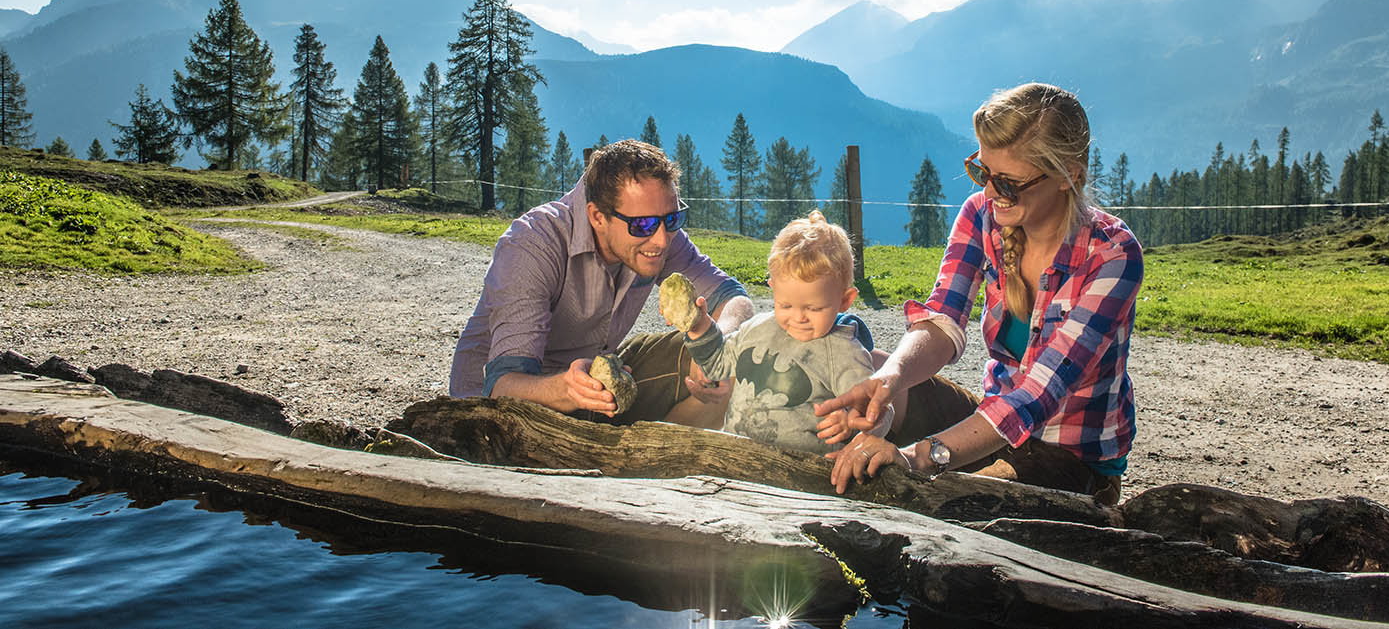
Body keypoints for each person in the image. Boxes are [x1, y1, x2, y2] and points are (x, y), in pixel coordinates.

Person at [817, 83, 1142, 504]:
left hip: (1071, 458)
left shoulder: (1113, 255)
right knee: (869, 368)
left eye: (1008, 182)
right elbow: (941, 321)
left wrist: (918, 457)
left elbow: (1036, 395)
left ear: (1069, 176)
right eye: (983, 172)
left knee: (960, 500)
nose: (989, 192)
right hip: (993, 425)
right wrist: (889, 378)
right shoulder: (980, 215)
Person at [448, 139, 755, 425]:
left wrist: (720, 345)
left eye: (672, 220)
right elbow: (503, 385)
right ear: (597, 216)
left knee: (734, 356)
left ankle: (648, 464)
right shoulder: (532, 245)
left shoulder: (657, 232)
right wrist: (568, 389)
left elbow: (734, 299)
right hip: (501, 412)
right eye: (643, 225)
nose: (661, 240)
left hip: (595, 389)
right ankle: (620, 463)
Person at [669, 210, 893, 454]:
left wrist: (851, 421)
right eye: (785, 305)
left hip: (801, 473)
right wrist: (701, 327)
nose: (798, 317)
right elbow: (716, 365)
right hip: (736, 459)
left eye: (814, 308)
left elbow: (880, 409)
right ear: (773, 288)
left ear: (845, 301)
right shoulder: (756, 330)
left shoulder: (843, 352)